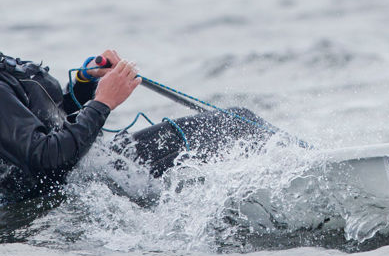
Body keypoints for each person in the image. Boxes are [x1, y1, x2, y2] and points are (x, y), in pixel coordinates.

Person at [0, 49, 279, 202]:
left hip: (95, 173)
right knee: (238, 126)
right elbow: (45, 157)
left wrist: (86, 84)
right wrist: (103, 103)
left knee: (239, 123)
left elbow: (49, 122)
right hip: (87, 185)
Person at [0, 50, 140, 201]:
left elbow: (49, 116)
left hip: (85, 175)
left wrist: (85, 78)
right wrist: (102, 103)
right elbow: (46, 158)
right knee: (168, 138)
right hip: (55, 199)